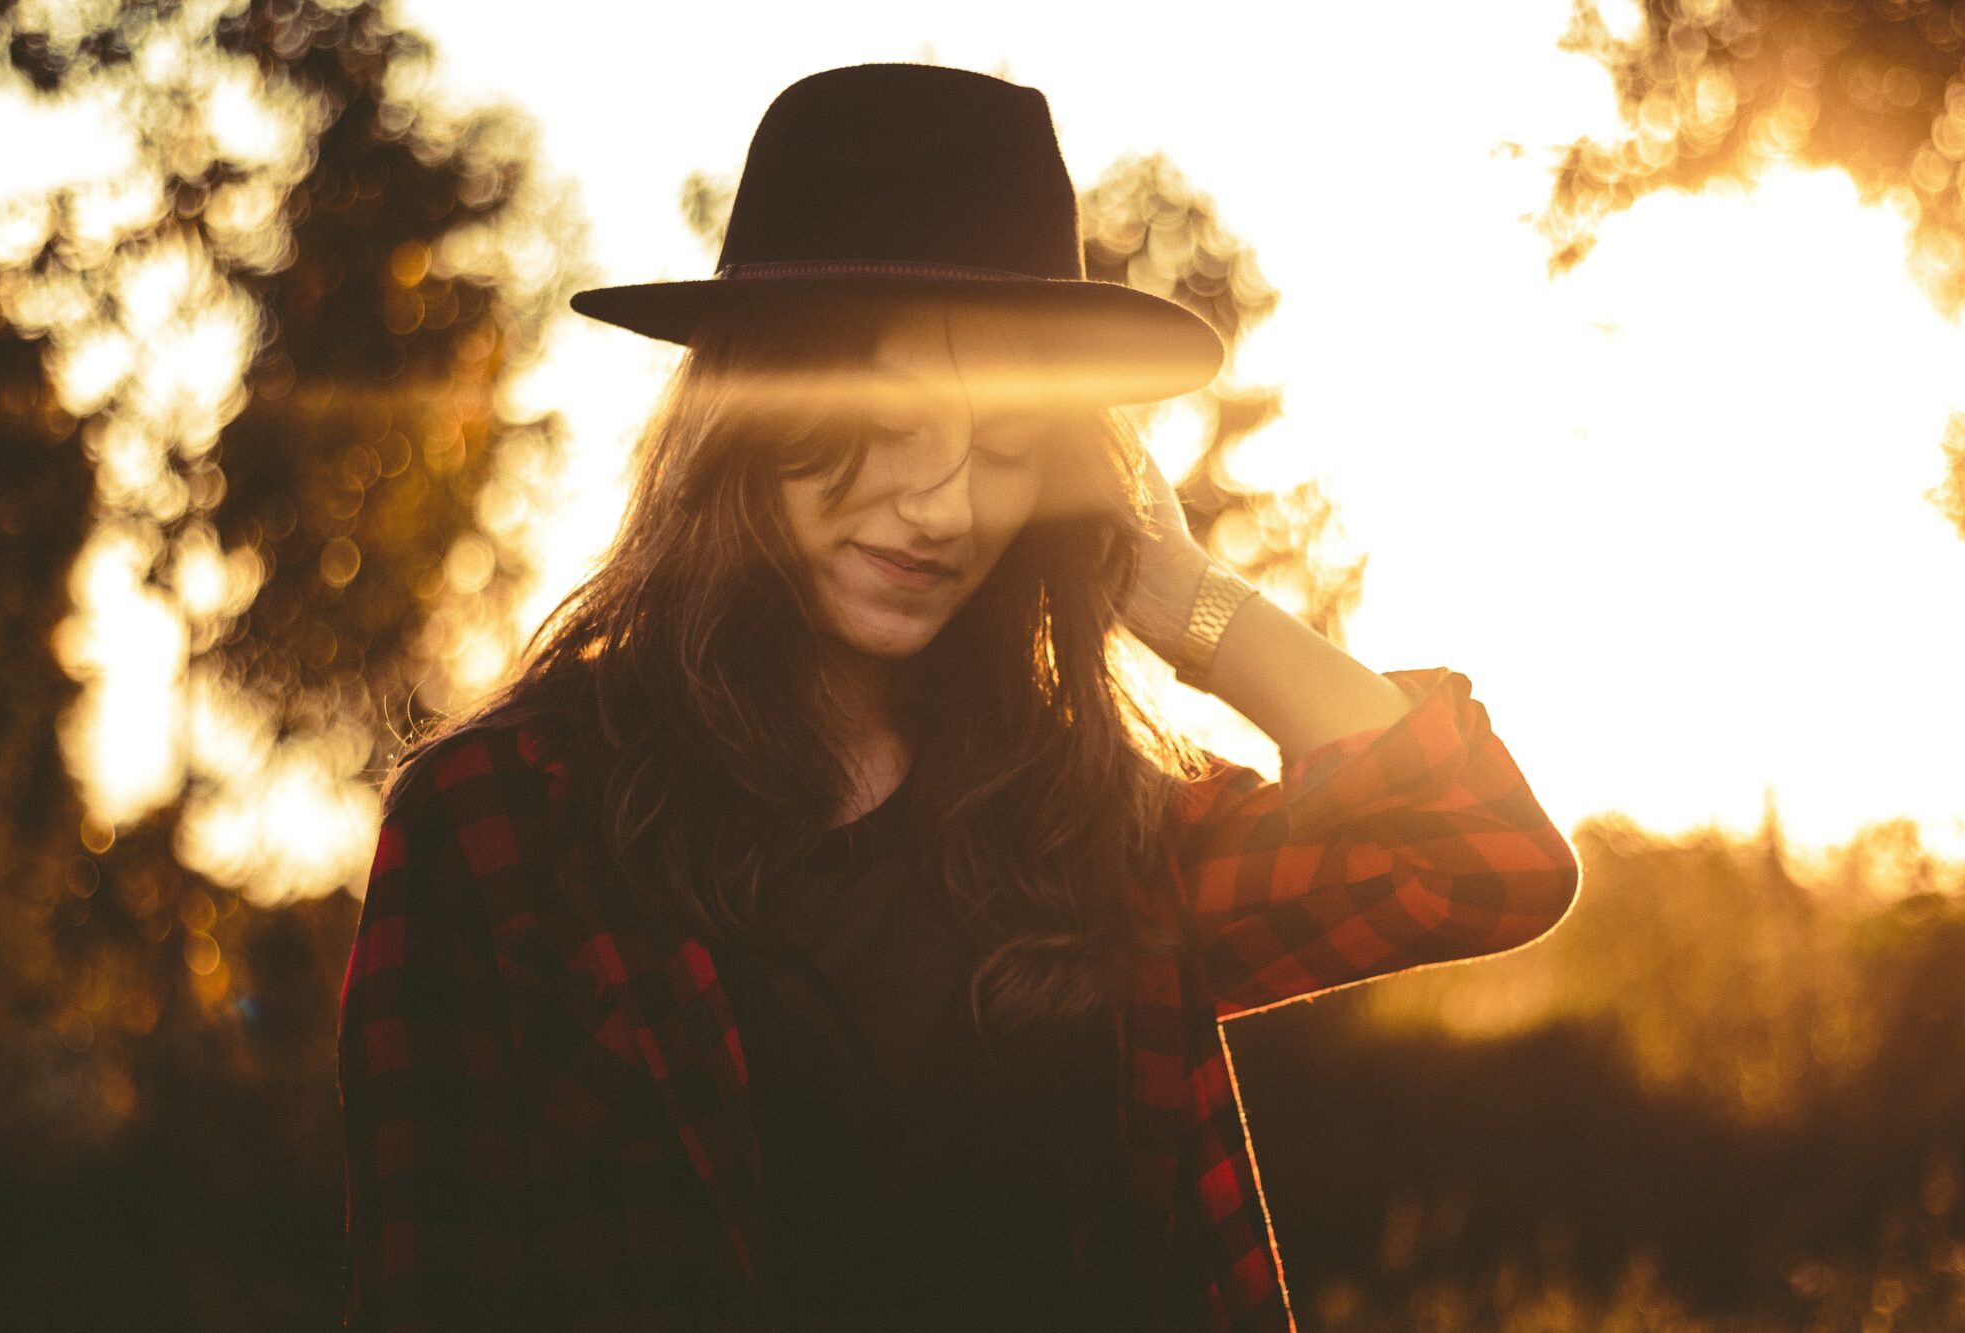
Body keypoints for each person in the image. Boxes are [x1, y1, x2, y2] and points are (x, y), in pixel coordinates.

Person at [336, 63, 1583, 1333]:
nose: (942, 507)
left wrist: (1175, 592)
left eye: (1003, 448)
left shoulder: (1086, 828)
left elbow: (1477, 857)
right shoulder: (500, 824)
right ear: (748, 411)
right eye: (888, 421)